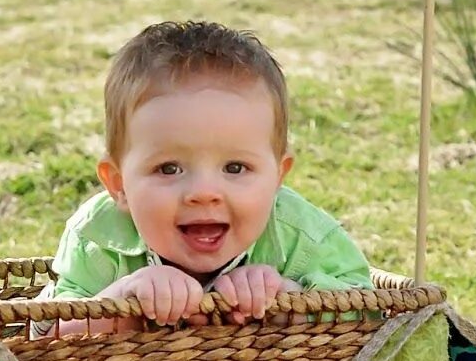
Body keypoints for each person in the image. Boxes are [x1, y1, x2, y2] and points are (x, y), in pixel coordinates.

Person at [47, 20, 371, 335]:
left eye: (234, 168)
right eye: (169, 168)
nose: (203, 192)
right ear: (118, 184)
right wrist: (122, 299)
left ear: (277, 176)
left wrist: (290, 299)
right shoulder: (99, 236)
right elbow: (44, 336)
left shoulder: (301, 235)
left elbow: (370, 313)